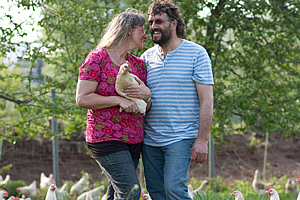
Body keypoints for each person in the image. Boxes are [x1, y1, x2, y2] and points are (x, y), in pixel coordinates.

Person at [137, 0, 214, 199]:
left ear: (173, 24)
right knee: (155, 192)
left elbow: (207, 100)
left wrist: (202, 140)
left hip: (181, 137)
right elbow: (143, 99)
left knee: (173, 188)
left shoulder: (197, 54)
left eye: (159, 21)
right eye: (151, 21)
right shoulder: (145, 58)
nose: (153, 26)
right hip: (150, 139)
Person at [75, 8, 151, 200]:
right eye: (141, 29)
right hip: (106, 138)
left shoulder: (138, 65)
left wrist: (147, 97)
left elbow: (145, 106)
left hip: (134, 139)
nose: (145, 34)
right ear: (128, 30)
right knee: (131, 192)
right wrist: (118, 100)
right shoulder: (97, 59)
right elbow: (82, 98)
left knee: (115, 195)